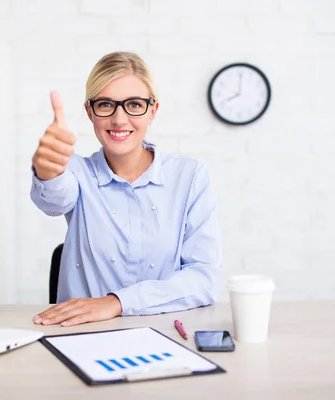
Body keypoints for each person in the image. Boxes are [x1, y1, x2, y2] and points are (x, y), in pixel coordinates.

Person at [30, 51, 222, 327]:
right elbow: (55, 200)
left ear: (152, 110)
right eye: (106, 105)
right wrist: (48, 169)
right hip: (82, 336)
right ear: (90, 112)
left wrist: (117, 302)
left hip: (163, 333)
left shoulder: (190, 177)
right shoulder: (75, 171)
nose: (119, 119)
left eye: (134, 105)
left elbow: (204, 278)